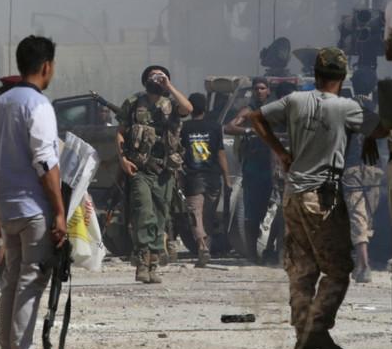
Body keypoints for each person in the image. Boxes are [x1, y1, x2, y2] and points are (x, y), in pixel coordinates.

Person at [244, 48, 388, 349]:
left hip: (293, 194)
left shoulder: (295, 100)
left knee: (302, 270)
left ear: (317, 74)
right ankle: (317, 329)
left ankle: (304, 341)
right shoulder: (346, 107)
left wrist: (281, 152)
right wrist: (366, 132)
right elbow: (381, 128)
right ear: (342, 77)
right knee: (338, 270)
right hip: (321, 197)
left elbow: (254, 118)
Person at [0, 35, 67, 349]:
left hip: (5, 206)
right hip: (33, 208)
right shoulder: (39, 105)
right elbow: (45, 161)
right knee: (31, 280)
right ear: (46, 66)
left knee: (12, 280)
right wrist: (59, 211)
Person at [114, 65, 191, 283]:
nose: (155, 79)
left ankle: (153, 263)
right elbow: (120, 132)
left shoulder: (171, 104)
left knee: (160, 216)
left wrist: (169, 86)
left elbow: (188, 108)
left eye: (160, 76)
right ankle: (141, 261)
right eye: (152, 76)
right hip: (140, 168)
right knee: (143, 213)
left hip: (164, 170)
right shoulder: (133, 103)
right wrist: (123, 159)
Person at [225, 78, 278, 262]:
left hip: (274, 166)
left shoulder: (275, 110)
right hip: (254, 165)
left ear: (268, 91)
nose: (259, 91)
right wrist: (249, 131)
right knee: (252, 213)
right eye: (256, 89)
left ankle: (271, 249)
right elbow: (230, 127)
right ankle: (252, 253)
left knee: (276, 211)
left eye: (262, 88)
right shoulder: (248, 111)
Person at [178, 92, 230, 267]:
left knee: (195, 215)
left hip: (193, 177)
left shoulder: (184, 128)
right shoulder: (215, 127)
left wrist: (179, 177)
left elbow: (180, 154)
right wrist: (227, 178)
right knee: (208, 215)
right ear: (205, 108)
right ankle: (205, 249)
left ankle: (202, 246)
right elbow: (221, 154)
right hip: (213, 176)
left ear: (189, 108)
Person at [341, 94, 385, 284]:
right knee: (361, 218)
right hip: (365, 174)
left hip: (363, 174)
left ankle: (362, 264)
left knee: (361, 218)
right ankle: (363, 264)